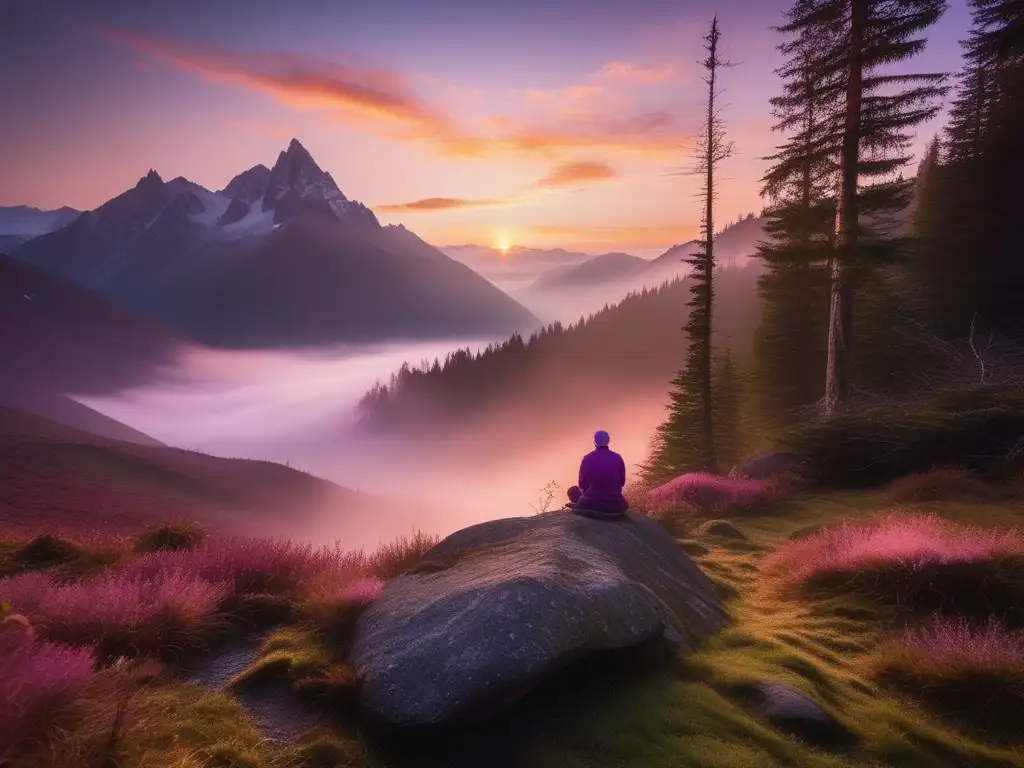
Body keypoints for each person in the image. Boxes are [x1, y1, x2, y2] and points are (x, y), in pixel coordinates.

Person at [566, 430, 629, 519]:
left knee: (573, 490)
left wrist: (586, 496)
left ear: (594, 441)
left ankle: (578, 504)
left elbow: (582, 484)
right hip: (617, 504)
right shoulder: (617, 458)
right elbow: (622, 482)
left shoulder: (587, 458)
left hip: (593, 504)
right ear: (608, 440)